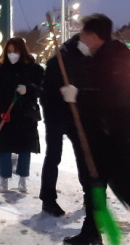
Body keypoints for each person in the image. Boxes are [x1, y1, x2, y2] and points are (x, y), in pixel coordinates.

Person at [60, 14, 130, 245]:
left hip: (115, 138)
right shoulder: (97, 58)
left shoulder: (113, 59)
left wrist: (79, 95)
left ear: (94, 36)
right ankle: (91, 232)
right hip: (98, 137)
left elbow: (113, 98)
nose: (81, 39)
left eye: (84, 34)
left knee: (124, 187)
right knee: (94, 186)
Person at [38, 34, 91, 217]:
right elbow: (45, 94)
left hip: (77, 116)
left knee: (84, 155)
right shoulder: (58, 60)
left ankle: (90, 195)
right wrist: (61, 96)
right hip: (56, 116)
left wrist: (79, 97)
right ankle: (48, 199)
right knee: (53, 156)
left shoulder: (87, 58)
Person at [0, 37, 44, 193]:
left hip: (26, 115)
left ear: (22, 51)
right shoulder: (0, 71)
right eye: (9, 51)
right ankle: (4, 179)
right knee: (4, 148)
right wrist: (1, 110)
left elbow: (43, 89)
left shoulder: (34, 69)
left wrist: (28, 89)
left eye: (15, 51)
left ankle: (23, 179)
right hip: (6, 115)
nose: (12, 55)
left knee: (25, 148)